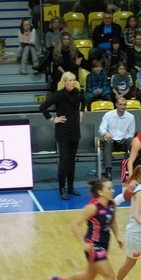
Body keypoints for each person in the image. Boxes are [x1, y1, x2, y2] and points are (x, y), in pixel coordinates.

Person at [47, 179, 135, 280]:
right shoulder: (92, 207)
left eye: (112, 188)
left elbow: (111, 221)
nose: (112, 190)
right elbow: (75, 224)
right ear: (100, 192)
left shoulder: (112, 204)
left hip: (104, 244)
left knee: (89, 276)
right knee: (109, 276)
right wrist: (82, 244)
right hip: (93, 246)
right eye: (109, 188)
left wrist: (118, 235)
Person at [39, 72, 86, 200]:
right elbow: (42, 107)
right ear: (64, 82)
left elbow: (84, 100)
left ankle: (71, 187)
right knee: (64, 160)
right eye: (69, 80)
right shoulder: (59, 95)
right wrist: (53, 119)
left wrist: (81, 111)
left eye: (74, 80)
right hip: (63, 131)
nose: (72, 82)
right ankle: (62, 189)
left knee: (72, 160)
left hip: (75, 130)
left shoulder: (77, 92)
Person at [97, 97, 134, 181]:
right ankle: (108, 170)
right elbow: (101, 129)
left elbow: (131, 132)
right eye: (120, 104)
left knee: (131, 141)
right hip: (112, 140)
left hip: (123, 141)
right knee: (107, 141)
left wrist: (125, 138)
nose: (122, 107)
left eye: (124, 105)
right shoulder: (108, 115)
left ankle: (129, 167)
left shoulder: (131, 117)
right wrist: (106, 133)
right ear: (116, 105)